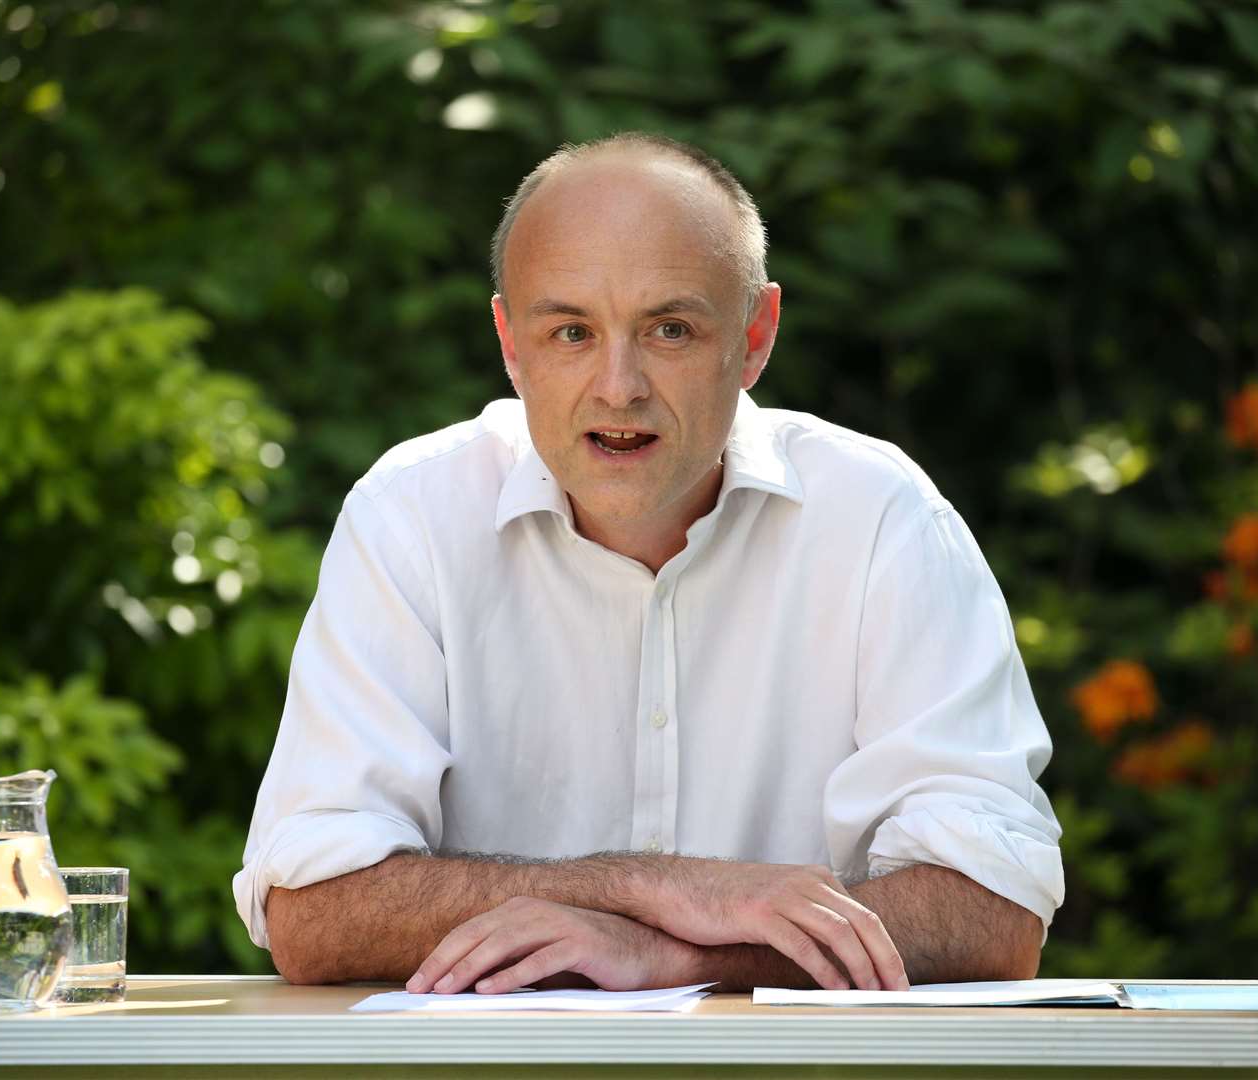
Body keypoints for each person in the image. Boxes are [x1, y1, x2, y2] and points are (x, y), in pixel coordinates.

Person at [234, 132, 1063, 994]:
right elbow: (313, 909)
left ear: (754, 337)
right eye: (570, 332)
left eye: (670, 329)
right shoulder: (411, 514)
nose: (618, 386)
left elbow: (992, 910)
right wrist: (651, 885)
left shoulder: (883, 519)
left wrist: (684, 957)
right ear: (510, 344)